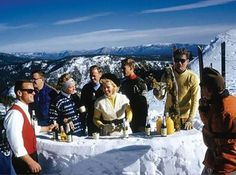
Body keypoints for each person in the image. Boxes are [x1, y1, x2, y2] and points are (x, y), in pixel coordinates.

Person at [4, 80, 56, 174]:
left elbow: (30, 128)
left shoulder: (25, 109)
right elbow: (15, 142)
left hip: (30, 155)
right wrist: (30, 162)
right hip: (23, 160)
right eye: (30, 91)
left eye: (34, 90)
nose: (34, 93)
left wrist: (48, 128)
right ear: (19, 93)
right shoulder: (15, 113)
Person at [199, 67, 236, 175]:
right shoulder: (228, 100)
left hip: (226, 165)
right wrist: (204, 111)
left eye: (203, 87)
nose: (202, 92)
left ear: (209, 90)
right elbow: (212, 129)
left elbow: (228, 147)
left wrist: (220, 171)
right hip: (216, 158)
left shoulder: (221, 113)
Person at [155, 48, 200, 130]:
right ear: (173, 61)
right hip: (168, 117)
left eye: (182, 61)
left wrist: (190, 119)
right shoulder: (167, 76)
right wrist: (157, 93)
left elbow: (195, 100)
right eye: (176, 60)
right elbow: (161, 97)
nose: (179, 63)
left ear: (187, 61)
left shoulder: (192, 77)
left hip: (184, 119)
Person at [120, 58, 148, 132]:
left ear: (131, 68)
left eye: (124, 68)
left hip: (138, 117)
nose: (122, 70)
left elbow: (144, 105)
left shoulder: (140, 83)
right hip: (126, 116)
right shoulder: (124, 83)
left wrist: (142, 124)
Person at [81, 65, 104, 136]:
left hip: (104, 119)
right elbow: (82, 104)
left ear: (100, 74)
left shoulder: (105, 87)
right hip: (91, 120)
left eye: (94, 75)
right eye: (90, 75)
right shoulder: (86, 88)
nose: (92, 78)